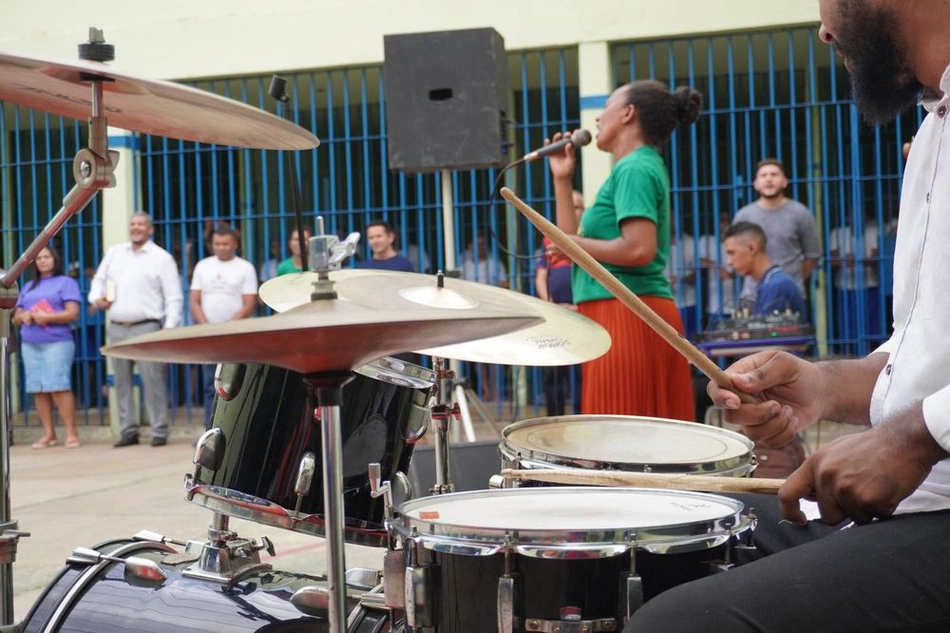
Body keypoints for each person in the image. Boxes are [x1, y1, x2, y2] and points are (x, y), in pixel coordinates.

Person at [627, 1, 950, 631]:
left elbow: (926, 416)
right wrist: (821, 386)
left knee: (674, 625)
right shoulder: (934, 132)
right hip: (916, 501)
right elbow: (926, 354)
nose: (824, 29)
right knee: (651, 544)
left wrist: (916, 438)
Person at [545, 80, 699, 419]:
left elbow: (639, 249)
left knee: (620, 441)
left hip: (628, 312)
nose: (598, 119)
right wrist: (562, 178)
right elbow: (570, 241)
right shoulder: (632, 168)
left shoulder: (634, 168)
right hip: (617, 311)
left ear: (628, 114)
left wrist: (570, 246)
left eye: (606, 107)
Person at [89, 212, 183, 448]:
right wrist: (96, 299)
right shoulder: (114, 253)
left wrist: (169, 327)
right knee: (120, 381)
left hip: (148, 326)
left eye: (141, 224)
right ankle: (128, 430)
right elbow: (98, 282)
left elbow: (173, 296)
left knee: (153, 379)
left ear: (150, 229)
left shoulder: (161, 258)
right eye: (132, 224)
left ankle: (159, 430)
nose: (136, 228)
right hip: (117, 326)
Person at [12, 246, 82, 449]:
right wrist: (22, 316)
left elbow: (72, 313)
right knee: (38, 388)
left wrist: (47, 317)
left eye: (46, 256)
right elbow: (16, 315)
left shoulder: (66, 282)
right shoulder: (29, 286)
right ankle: (48, 434)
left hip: (57, 342)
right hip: (31, 344)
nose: (42, 260)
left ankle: (71, 432)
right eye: (38, 258)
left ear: (55, 259)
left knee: (59, 386)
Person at [189, 224, 258, 428]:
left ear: (235, 244)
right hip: (209, 335)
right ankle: (209, 429)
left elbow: (249, 304)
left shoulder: (245, 267)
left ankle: (233, 428)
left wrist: (229, 326)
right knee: (211, 385)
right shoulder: (203, 266)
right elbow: (194, 300)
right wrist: (205, 326)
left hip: (235, 336)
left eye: (226, 244)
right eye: (217, 244)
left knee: (237, 384)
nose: (221, 247)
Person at [734, 159, 820, 303]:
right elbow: (735, 256)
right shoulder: (744, 216)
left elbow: (812, 256)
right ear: (755, 184)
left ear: (784, 182)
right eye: (763, 175)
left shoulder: (801, 213)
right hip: (752, 296)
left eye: (774, 174)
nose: (769, 179)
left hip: (790, 296)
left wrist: (789, 282)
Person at [535, 190, 585, 416]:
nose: (574, 211)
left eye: (578, 207)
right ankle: (554, 418)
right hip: (556, 315)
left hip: (583, 315)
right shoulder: (549, 239)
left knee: (583, 371)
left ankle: (583, 415)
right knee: (554, 371)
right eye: (570, 206)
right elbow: (541, 276)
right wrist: (551, 305)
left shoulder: (588, 239)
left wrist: (580, 306)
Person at [725, 221, 807, 319]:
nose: (729, 261)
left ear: (752, 248)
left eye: (732, 253)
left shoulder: (775, 285)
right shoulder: (771, 281)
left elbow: (762, 333)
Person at [699, 213, 737, 327]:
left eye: (727, 220)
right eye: (722, 220)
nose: (724, 224)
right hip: (715, 304)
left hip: (736, 302)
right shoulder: (708, 240)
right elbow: (699, 261)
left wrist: (731, 274)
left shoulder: (738, 241)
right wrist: (716, 266)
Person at [665, 229, 698, 338]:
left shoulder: (689, 242)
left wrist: (680, 278)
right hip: (665, 300)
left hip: (687, 302)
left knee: (688, 341)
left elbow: (698, 274)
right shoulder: (655, 240)